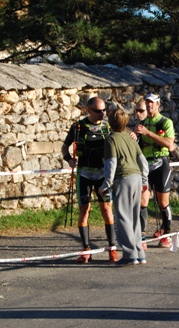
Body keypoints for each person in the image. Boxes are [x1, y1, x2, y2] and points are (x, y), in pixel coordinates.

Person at [61, 97, 118, 263]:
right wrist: (68, 159)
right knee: (84, 210)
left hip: (102, 174)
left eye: (103, 111)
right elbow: (65, 146)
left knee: (106, 209)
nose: (102, 114)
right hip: (84, 173)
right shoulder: (78, 126)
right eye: (98, 111)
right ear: (89, 110)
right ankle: (86, 249)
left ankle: (112, 249)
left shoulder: (108, 126)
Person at [99, 108, 149, 266]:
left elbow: (111, 164)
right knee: (135, 218)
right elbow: (143, 162)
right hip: (136, 179)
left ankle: (129, 254)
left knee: (123, 218)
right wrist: (144, 180)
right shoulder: (130, 138)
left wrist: (106, 184)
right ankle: (140, 253)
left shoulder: (111, 139)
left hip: (123, 179)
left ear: (110, 122)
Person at [133, 92, 175, 248]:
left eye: (152, 102)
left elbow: (170, 144)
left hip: (160, 164)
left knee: (163, 202)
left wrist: (148, 133)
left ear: (158, 105)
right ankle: (142, 237)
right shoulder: (141, 123)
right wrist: (133, 135)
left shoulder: (165, 122)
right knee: (142, 201)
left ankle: (167, 234)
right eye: (147, 102)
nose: (149, 105)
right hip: (144, 165)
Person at [129, 99, 150, 250]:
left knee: (144, 202)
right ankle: (135, 234)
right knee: (133, 204)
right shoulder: (133, 127)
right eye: (136, 110)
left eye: (141, 111)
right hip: (134, 170)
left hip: (150, 166)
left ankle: (144, 235)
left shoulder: (153, 124)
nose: (137, 113)